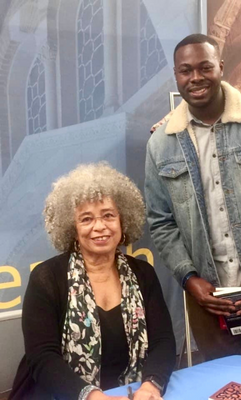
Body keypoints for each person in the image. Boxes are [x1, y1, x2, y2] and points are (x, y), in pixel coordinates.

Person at [145, 33, 241, 381]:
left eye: (204, 67)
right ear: (176, 75)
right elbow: (160, 222)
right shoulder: (160, 144)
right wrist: (189, 279)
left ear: (221, 68)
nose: (196, 77)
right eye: (186, 71)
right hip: (207, 299)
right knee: (223, 385)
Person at [10, 163, 176, 400]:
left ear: (123, 220)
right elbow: (42, 357)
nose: (100, 227)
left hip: (132, 392)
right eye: (86, 219)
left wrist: (152, 385)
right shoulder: (46, 278)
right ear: (72, 228)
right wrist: (91, 396)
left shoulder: (143, 273)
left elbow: (163, 341)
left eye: (108, 215)